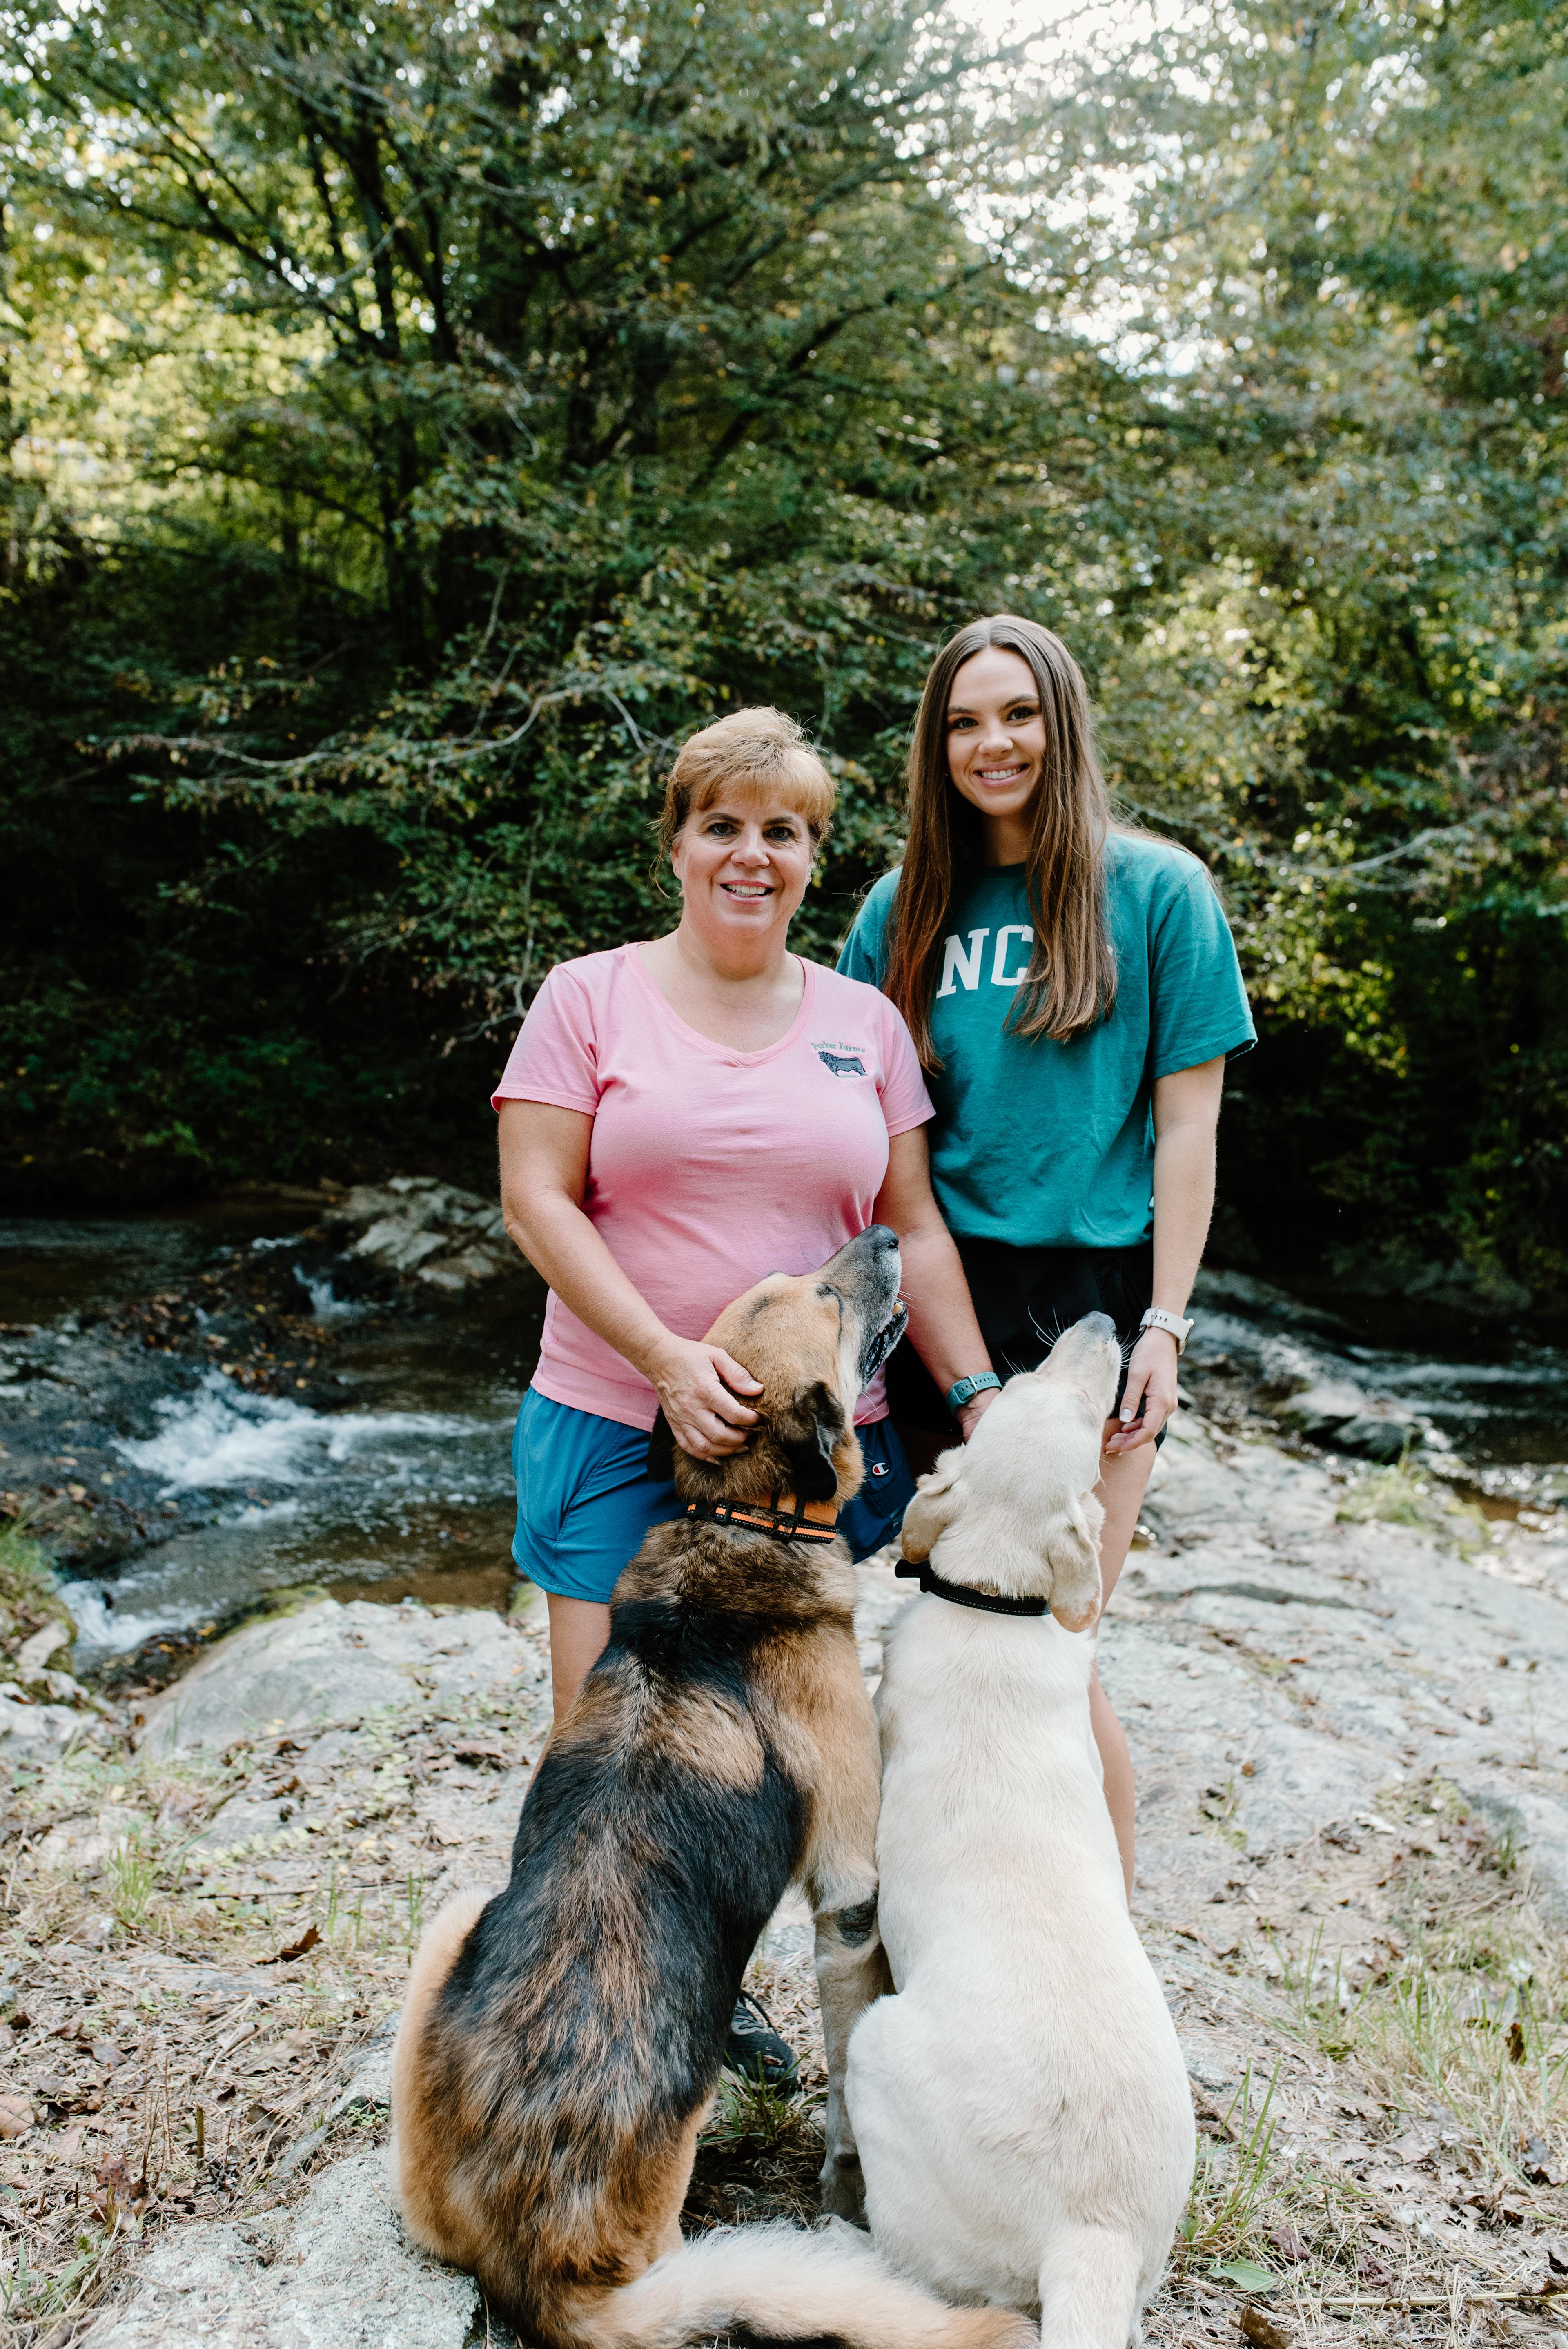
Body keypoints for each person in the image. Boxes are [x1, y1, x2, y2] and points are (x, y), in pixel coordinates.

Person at [492, 704, 1001, 2082]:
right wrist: (666, 1358)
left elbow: (917, 1228)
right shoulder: (586, 998)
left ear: (810, 859)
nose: (751, 855)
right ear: (678, 841)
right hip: (614, 1411)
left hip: (805, 1465)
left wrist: (980, 1391)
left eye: (782, 832)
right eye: (723, 825)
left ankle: (781, 2009)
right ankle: (604, 2033)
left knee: (795, 1749)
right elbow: (535, 1199)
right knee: (609, 1756)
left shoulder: (863, 1025)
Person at [839, 616, 1256, 1897]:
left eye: (1016, 714)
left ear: (1060, 722)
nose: (992, 743)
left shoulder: (1158, 894)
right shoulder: (899, 911)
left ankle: (1101, 1941)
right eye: (964, 722)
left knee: (1053, 1642)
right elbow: (866, 1136)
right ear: (935, 746)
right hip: (936, 1298)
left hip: (1092, 1311)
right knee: (916, 1632)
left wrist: (1167, 1329)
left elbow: (1188, 1127)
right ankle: (932, 1905)